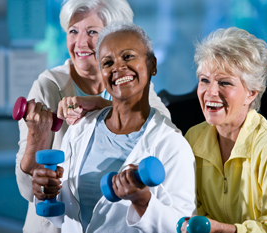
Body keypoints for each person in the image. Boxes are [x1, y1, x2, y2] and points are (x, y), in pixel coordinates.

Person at [15, 1, 170, 232]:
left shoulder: (131, 81)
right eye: (73, 31)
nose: (80, 43)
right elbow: (28, 190)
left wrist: (102, 105)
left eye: (92, 32)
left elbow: (165, 130)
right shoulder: (48, 86)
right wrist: (37, 137)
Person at [181, 27, 267, 232]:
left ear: (251, 92)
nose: (210, 92)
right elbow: (188, 207)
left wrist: (227, 230)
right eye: (204, 80)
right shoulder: (193, 138)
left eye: (224, 82)